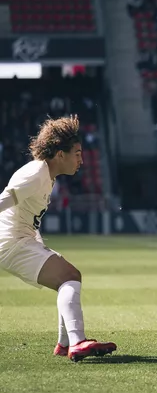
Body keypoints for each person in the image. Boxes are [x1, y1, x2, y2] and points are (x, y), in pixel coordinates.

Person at [0, 115, 117, 362]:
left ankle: (66, 344)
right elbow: (4, 199)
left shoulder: (46, 174)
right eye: (77, 154)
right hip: (11, 243)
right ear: (60, 154)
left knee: (70, 277)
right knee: (69, 277)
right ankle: (77, 342)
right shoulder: (35, 173)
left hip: (21, 240)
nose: (81, 160)